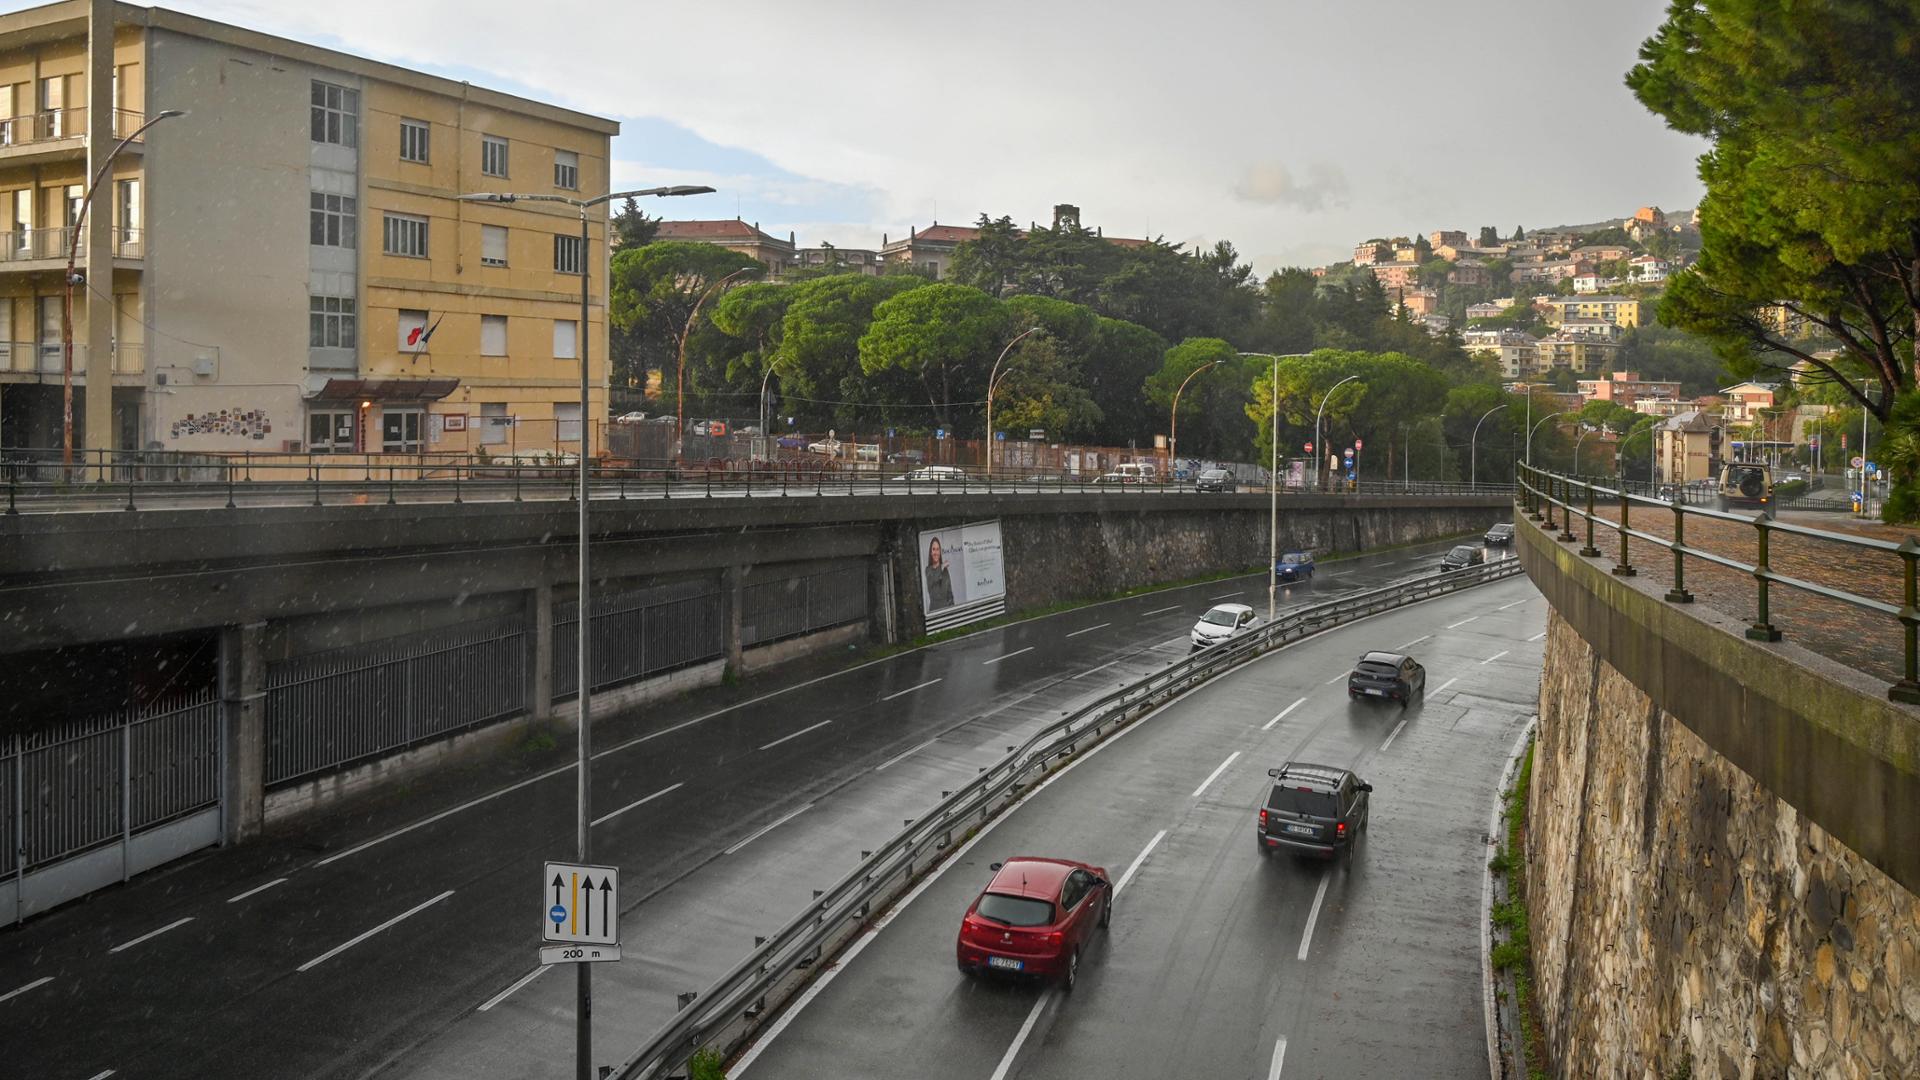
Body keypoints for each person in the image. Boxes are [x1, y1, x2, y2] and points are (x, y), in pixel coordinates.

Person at [924, 536, 955, 611]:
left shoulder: (945, 570)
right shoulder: (928, 570)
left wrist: (952, 610)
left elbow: (950, 593)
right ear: (931, 552)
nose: (936, 552)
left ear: (940, 552)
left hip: (947, 611)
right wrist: (942, 566)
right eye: (933, 549)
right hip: (935, 611)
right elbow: (934, 578)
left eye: (938, 549)